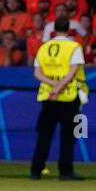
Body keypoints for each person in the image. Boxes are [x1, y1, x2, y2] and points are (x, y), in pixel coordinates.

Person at [29, 14, 87, 181]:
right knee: (68, 135)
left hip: (48, 97)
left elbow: (37, 73)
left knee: (44, 135)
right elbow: (73, 70)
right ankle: (65, 171)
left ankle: (36, 171)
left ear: (53, 30)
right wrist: (60, 87)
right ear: (69, 29)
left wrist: (52, 86)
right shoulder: (74, 47)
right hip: (69, 96)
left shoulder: (44, 47)